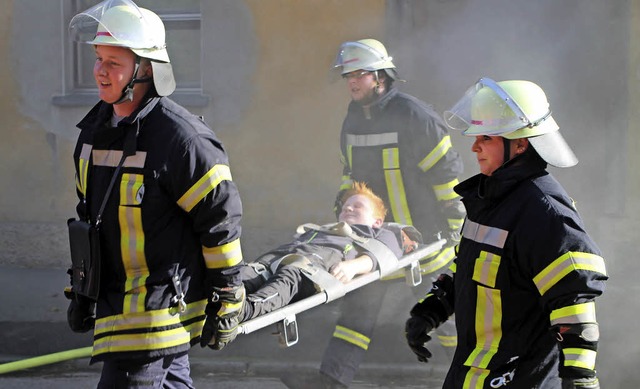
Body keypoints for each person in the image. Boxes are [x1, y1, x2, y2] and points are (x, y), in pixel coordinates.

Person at [64, 1, 245, 387]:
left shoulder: (181, 140)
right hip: (118, 309)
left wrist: (229, 293)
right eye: (98, 58)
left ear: (145, 69)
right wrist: (80, 288)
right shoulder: (92, 134)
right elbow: (90, 219)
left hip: (155, 316)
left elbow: (219, 221)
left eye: (114, 62)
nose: (99, 71)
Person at [405, 78, 608, 388]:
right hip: (472, 374)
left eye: (486, 137)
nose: (474, 146)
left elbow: (574, 298)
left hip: (521, 378)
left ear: (521, 144)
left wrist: (579, 378)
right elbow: (472, 265)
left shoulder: (543, 211)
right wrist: (435, 306)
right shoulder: (491, 199)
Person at [319, 38, 466, 387]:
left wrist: (457, 226)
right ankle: (330, 383)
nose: (352, 82)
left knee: (443, 317)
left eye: (360, 74)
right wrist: (344, 202)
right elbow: (349, 172)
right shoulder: (352, 120)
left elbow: (446, 175)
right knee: (356, 317)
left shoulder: (415, 116)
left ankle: (467, 379)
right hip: (376, 241)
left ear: (381, 76)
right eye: (348, 75)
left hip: (424, 239)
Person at [238, 181, 408, 324]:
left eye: (358, 206)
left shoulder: (381, 233)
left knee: (289, 276)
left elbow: (389, 253)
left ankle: (240, 312)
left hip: (308, 269)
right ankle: (217, 300)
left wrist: (353, 267)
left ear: (377, 221)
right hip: (277, 259)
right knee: (245, 273)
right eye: (346, 207)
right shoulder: (323, 229)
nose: (348, 209)